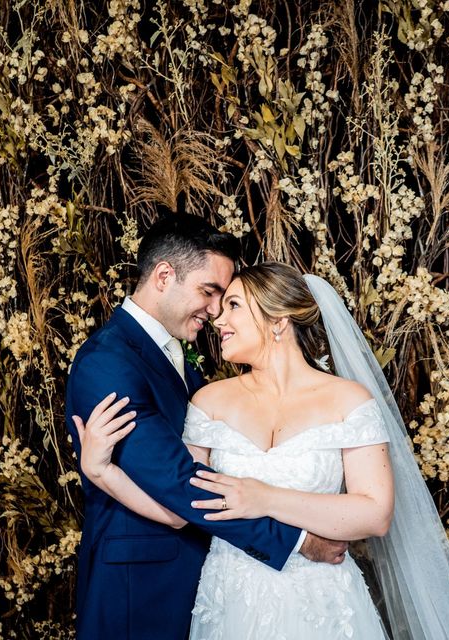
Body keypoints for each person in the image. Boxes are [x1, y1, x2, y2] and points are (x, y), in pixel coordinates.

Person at [75, 262, 449, 639]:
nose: (218, 318)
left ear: (278, 321)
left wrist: (265, 497)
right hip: (231, 601)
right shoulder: (209, 402)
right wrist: (102, 473)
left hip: (324, 602)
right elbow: (181, 510)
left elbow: (375, 515)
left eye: (234, 305)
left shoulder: (348, 400)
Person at [64, 218, 347, 640]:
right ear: (164, 276)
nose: (215, 311)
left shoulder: (177, 357)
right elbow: (180, 483)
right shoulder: (108, 363)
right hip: (138, 589)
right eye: (209, 291)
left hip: (205, 583)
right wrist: (297, 541)